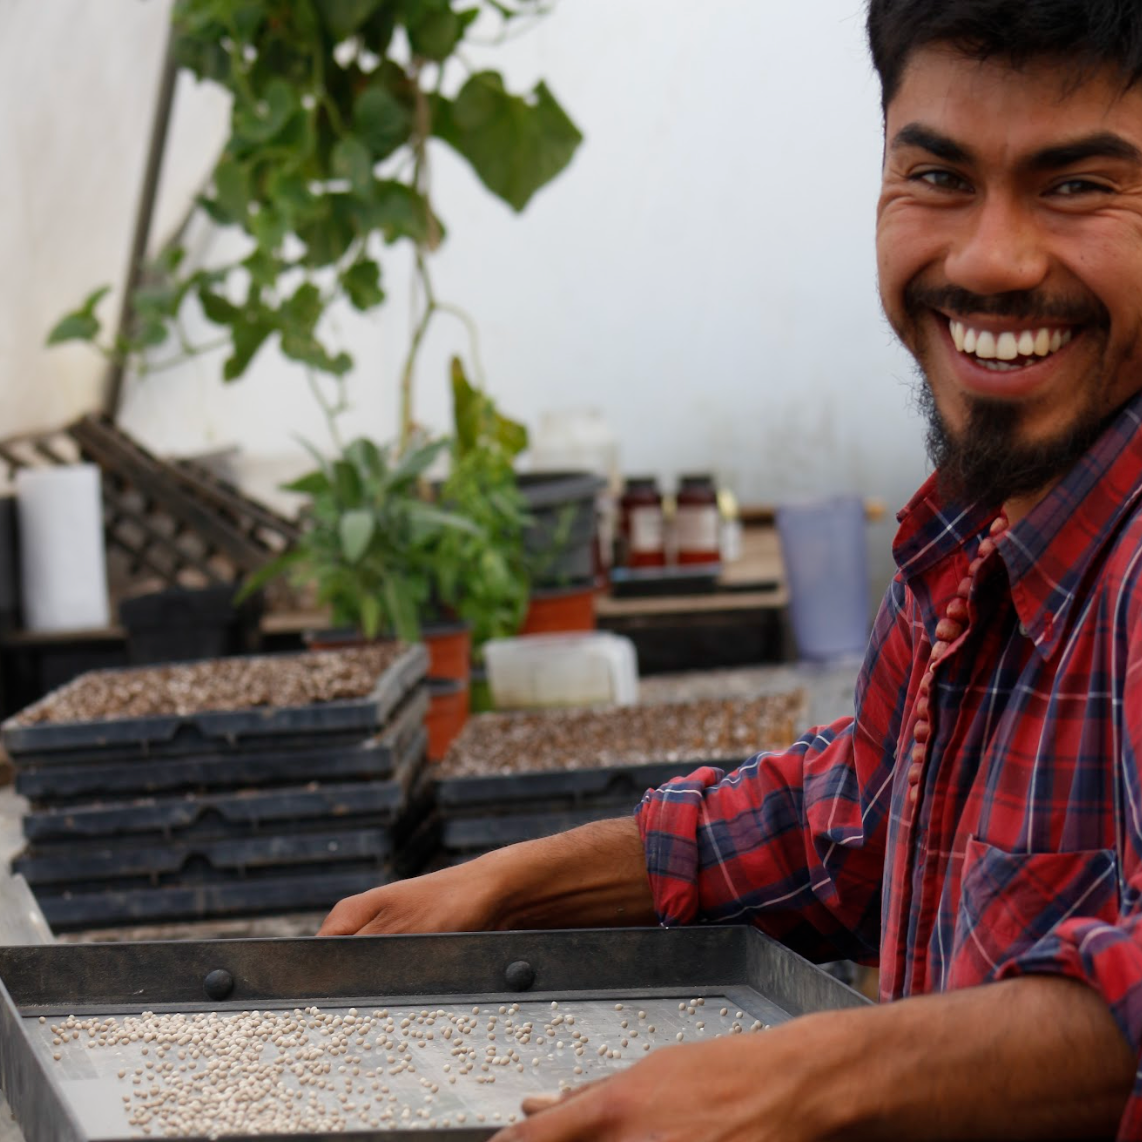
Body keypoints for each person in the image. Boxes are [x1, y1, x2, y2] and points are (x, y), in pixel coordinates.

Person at [319, 1, 1142, 1136]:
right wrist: (520, 884)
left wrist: (789, 1082)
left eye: (1078, 185)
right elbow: (857, 820)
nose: (989, 258)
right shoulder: (977, 531)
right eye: (939, 178)